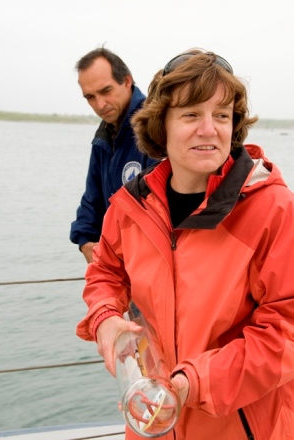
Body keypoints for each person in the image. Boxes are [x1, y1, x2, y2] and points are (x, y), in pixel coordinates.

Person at [76, 48, 294, 439]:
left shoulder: (274, 210)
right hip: (153, 419)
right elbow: (105, 271)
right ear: (161, 124)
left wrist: (195, 382)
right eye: (191, 114)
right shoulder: (129, 207)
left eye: (222, 115)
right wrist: (105, 317)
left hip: (242, 426)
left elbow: (287, 329)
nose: (209, 129)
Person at [70, 47, 156, 263]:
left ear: (127, 81)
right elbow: (92, 198)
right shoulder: (103, 136)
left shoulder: (154, 127)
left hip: (150, 267)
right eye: (90, 97)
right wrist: (86, 242)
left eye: (106, 91)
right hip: (116, 266)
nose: (100, 104)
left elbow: (161, 211)